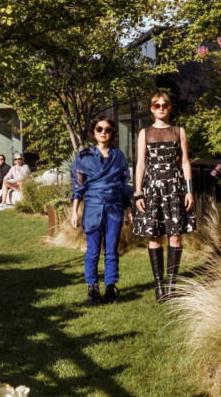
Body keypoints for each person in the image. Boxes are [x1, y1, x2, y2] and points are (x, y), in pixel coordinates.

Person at [132, 92, 196, 302]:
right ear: (151, 108)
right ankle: (159, 286)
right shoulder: (145, 133)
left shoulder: (179, 131)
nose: (161, 108)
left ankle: (171, 286)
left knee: (175, 236)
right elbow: (140, 164)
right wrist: (138, 192)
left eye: (165, 105)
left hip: (175, 187)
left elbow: (185, 162)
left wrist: (189, 190)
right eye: (157, 105)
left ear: (170, 108)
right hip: (152, 189)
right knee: (155, 235)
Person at [70, 118, 134, 304]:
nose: (103, 132)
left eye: (107, 129)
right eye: (99, 128)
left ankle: (110, 289)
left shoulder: (119, 156)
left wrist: (128, 208)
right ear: (94, 132)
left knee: (112, 250)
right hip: (92, 208)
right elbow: (77, 187)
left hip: (114, 207)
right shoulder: (83, 156)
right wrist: (75, 211)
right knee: (92, 251)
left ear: (112, 133)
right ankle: (92, 289)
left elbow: (124, 185)